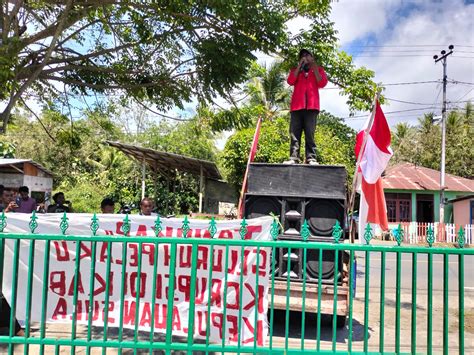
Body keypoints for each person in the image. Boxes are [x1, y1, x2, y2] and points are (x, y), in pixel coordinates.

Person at [285, 48, 328, 165]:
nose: (305, 57)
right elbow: (290, 81)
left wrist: (314, 67)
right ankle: (294, 158)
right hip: (296, 107)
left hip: (312, 107)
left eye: (307, 55)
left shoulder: (318, 70)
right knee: (294, 133)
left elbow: (322, 83)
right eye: (302, 56)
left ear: (312, 57)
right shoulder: (295, 70)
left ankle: (311, 158)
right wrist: (299, 67)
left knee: (310, 133)